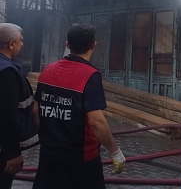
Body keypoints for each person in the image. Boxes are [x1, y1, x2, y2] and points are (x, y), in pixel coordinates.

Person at [32, 24, 126, 189]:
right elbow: (96, 121)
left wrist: (52, 137)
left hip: (49, 158)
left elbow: (36, 111)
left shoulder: (47, 71)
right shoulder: (90, 76)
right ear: (93, 45)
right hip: (80, 162)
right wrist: (115, 151)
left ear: (67, 44)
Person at [0, 23, 39, 189]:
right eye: (21, 41)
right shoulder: (7, 72)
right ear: (11, 43)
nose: (22, 44)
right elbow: (7, 115)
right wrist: (13, 153)